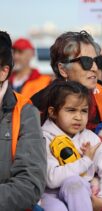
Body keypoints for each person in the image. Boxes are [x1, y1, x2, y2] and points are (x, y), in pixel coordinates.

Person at [41, 80, 102, 211]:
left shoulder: (90, 138)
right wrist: (86, 161)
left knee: (75, 184)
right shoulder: (43, 138)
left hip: (81, 193)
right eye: (71, 110)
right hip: (49, 195)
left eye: (84, 111)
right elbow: (52, 179)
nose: (78, 117)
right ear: (53, 112)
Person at [0, 31, 46, 210]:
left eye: (21, 51)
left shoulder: (25, 112)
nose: (18, 55)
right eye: (15, 52)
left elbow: (29, 184)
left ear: (4, 71)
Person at [32, 31, 102, 130]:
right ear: (63, 70)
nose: (95, 68)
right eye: (86, 61)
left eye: (97, 61)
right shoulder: (39, 106)